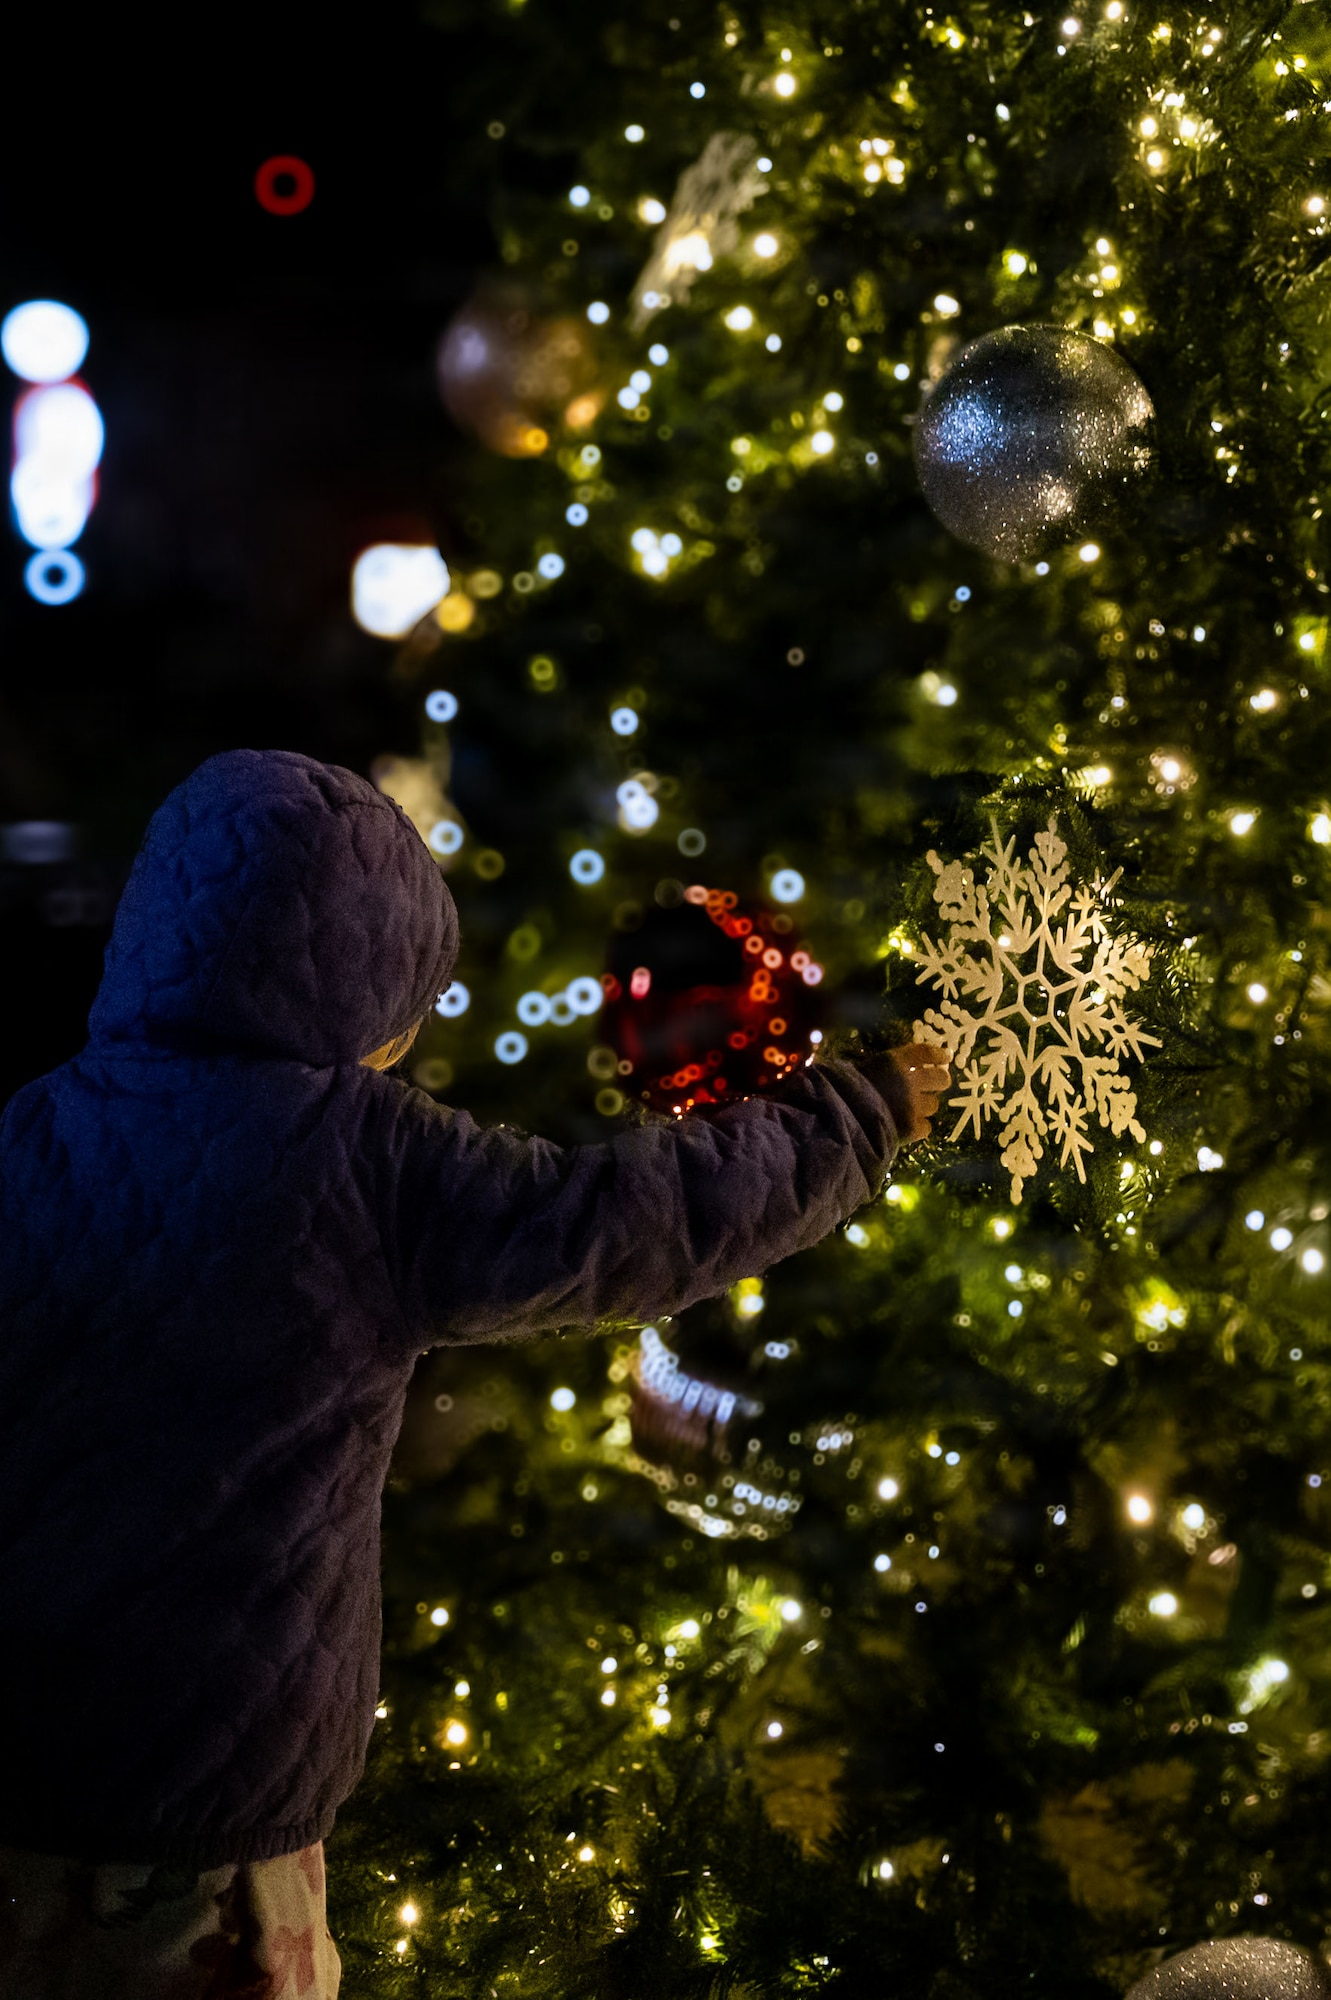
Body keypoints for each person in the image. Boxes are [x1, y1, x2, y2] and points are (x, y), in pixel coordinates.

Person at [0, 749, 948, 1998]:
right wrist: (858, 1114)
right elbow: (627, 1222)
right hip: (206, 1825)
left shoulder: (36, 1125)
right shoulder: (363, 1156)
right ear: (364, 995)